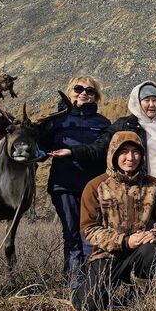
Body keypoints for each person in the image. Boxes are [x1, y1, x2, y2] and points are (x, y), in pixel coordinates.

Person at [78, 132, 156, 311]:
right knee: (89, 305)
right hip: (107, 254)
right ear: (113, 154)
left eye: (135, 152)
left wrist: (155, 234)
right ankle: (82, 290)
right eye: (124, 152)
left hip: (141, 251)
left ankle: (137, 295)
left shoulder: (153, 185)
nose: (130, 158)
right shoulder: (96, 186)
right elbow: (89, 228)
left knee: (152, 253)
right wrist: (124, 241)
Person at [41, 75, 111, 296]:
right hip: (64, 185)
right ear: (69, 91)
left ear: (96, 96)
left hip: (93, 188)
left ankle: (91, 284)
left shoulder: (102, 123)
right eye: (78, 89)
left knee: (89, 234)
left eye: (90, 91)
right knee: (71, 234)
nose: (84, 93)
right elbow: (41, 149)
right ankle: (73, 283)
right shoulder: (56, 121)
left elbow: (102, 151)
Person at [73, 80, 156, 207]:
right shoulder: (124, 125)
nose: (151, 104)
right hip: (137, 195)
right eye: (146, 100)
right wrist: (73, 152)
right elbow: (101, 146)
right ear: (137, 101)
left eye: (155, 100)